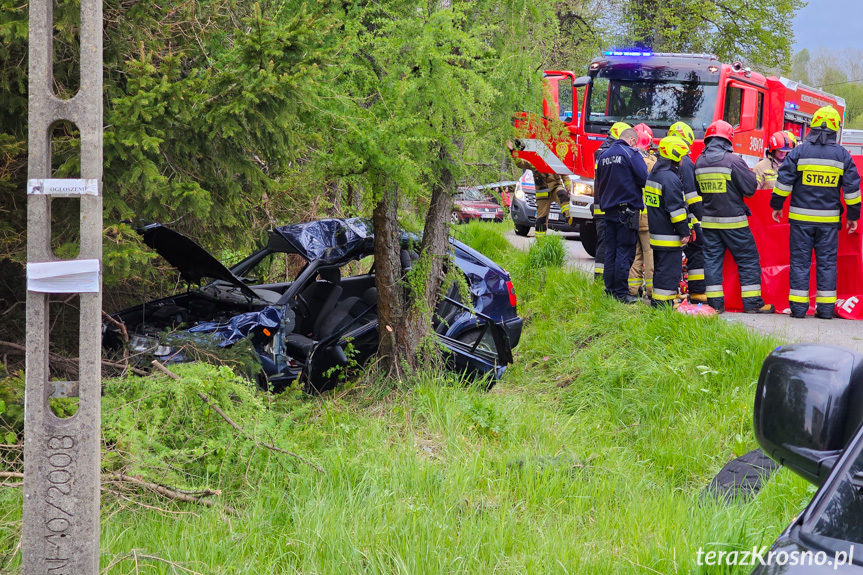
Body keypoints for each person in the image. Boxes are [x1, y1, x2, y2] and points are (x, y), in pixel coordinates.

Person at [770, 105, 861, 319]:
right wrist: (853, 216)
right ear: (834, 128)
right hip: (829, 222)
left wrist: (776, 205)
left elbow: (783, 181)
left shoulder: (799, 151)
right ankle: (826, 310)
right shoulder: (842, 155)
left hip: (800, 221)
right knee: (827, 264)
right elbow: (852, 190)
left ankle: (799, 310)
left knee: (800, 263)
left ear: (813, 126)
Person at [695, 120, 774, 314]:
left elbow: (699, 191)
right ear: (728, 138)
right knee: (748, 259)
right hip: (734, 223)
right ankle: (752, 303)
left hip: (709, 223)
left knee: (712, 262)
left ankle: (715, 305)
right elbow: (749, 189)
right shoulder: (733, 161)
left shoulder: (699, 161)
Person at [595, 127, 648, 302]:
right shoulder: (631, 153)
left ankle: (609, 290)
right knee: (625, 251)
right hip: (627, 211)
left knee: (611, 251)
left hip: (608, 210)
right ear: (632, 140)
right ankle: (621, 293)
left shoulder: (603, 157)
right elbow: (644, 179)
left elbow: (599, 183)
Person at [645, 136, 692, 306]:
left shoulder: (654, 175)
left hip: (657, 233)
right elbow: (676, 211)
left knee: (660, 272)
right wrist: (684, 231)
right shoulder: (670, 179)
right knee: (669, 274)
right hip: (669, 236)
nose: (684, 159)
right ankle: (663, 309)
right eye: (682, 156)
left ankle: (658, 306)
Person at [668, 121, 705, 303]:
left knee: (671, 256)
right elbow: (691, 195)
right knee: (697, 249)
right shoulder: (687, 162)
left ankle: (673, 290)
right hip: (686, 217)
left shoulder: (663, 161)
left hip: (667, 217)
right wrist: (701, 217)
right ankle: (697, 291)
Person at [593, 122, 632, 280]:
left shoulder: (602, 152)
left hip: (603, 204)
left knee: (607, 244)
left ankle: (603, 279)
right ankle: (599, 280)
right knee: (605, 245)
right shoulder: (609, 153)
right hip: (606, 206)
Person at [506, 141, 570, 238]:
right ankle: (540, 245)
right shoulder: (533, 160)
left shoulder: (555, 159)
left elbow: (565, 175)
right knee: (540, 222)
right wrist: (513, 151)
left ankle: (570, 218)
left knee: (562, 194)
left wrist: (569, 188)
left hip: (555, 187)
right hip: (542, 193)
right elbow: (520, 163)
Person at [628, 123, 656, 299]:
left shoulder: (628, 160)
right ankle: (651, 291)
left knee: (636, 254)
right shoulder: (651, 163)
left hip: (632, 216)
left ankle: (632, 290)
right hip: (647, 216)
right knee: (649, 253)